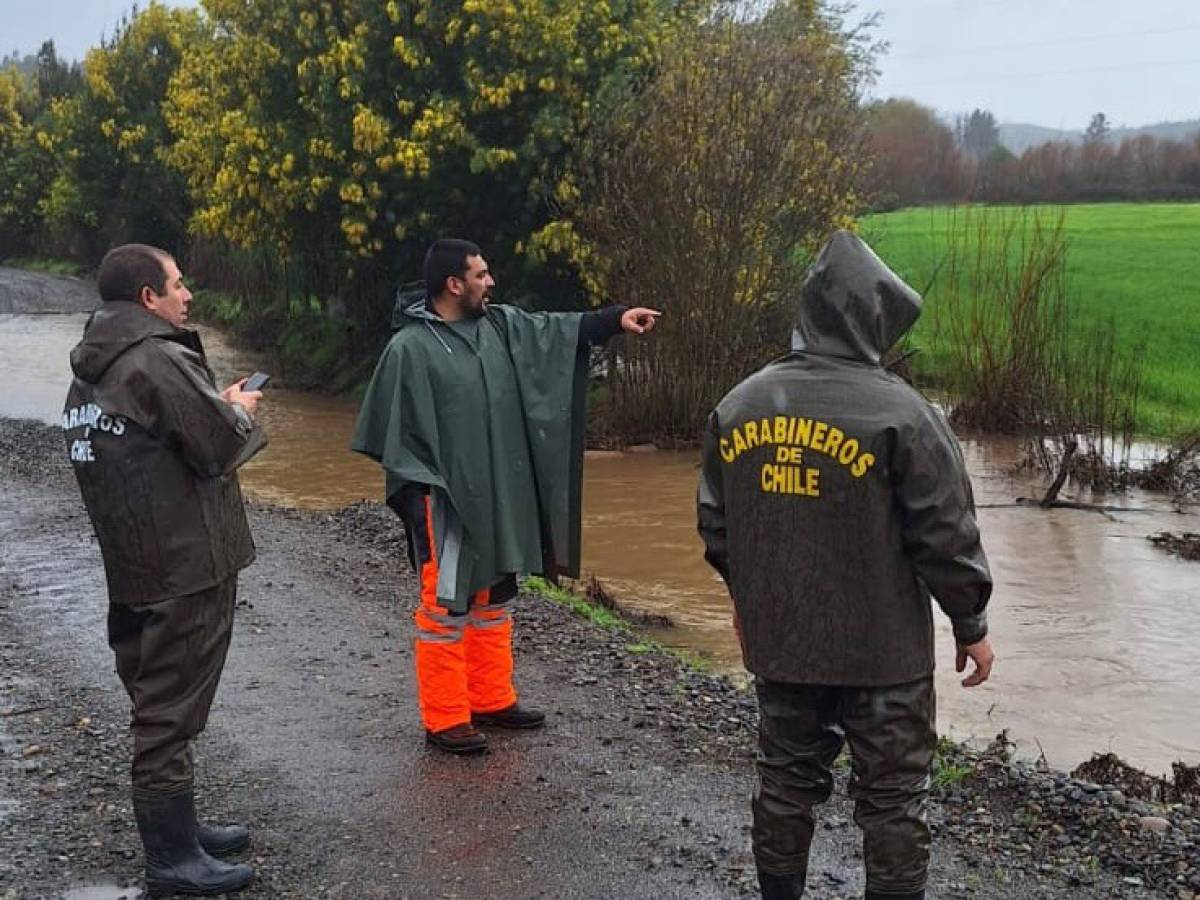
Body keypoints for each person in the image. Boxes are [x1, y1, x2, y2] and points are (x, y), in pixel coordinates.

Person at [697, 230, 996, 900]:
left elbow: (718, 528)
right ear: (873, 320)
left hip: (784, 644)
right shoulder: (905, 415)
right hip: (884, 654)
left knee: (783, 782)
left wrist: (747, 602)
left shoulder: (739, 405)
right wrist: (970, 622)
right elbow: (944, 532)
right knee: (893, 802)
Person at [352, 238, 660, 754]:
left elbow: (553, 331)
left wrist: (612, 319)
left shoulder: (497, 325)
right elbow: (392, 433)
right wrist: (424, 494)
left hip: (497, 494)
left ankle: (491, 698)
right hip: (442, 500)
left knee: (494, 596)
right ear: (454, 284)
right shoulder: (409, 348)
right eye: (481, 274)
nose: (490, 282)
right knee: (447, 603)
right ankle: (446, 717)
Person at [63, 243, 267, 897]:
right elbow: (216, 443)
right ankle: (172, 861)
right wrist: (237, 408)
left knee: (161, 701)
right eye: (178, 285)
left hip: (134, 563)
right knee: (166, 711)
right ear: (148, 298)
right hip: (184, 564)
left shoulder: (91, 368)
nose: (188, 296)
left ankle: (183, 832)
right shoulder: (156, 358)